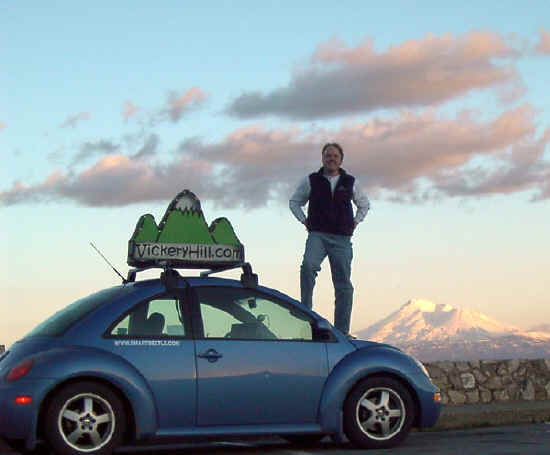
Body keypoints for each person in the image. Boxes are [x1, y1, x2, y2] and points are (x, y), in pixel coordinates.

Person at [289, 143, 370, 335]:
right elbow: (294, 202)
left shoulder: (350, 182)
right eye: (327, 155)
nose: (331, 158)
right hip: (317, 234)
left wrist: (354, 223)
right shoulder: (312, 180)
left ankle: (342, 331)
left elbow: (364, 204)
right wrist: (304, 221)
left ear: (341, 159)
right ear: (322, 158)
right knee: (308, 267)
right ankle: (306, 314)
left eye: (335, 156)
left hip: (342, 238)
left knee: (343, 284)